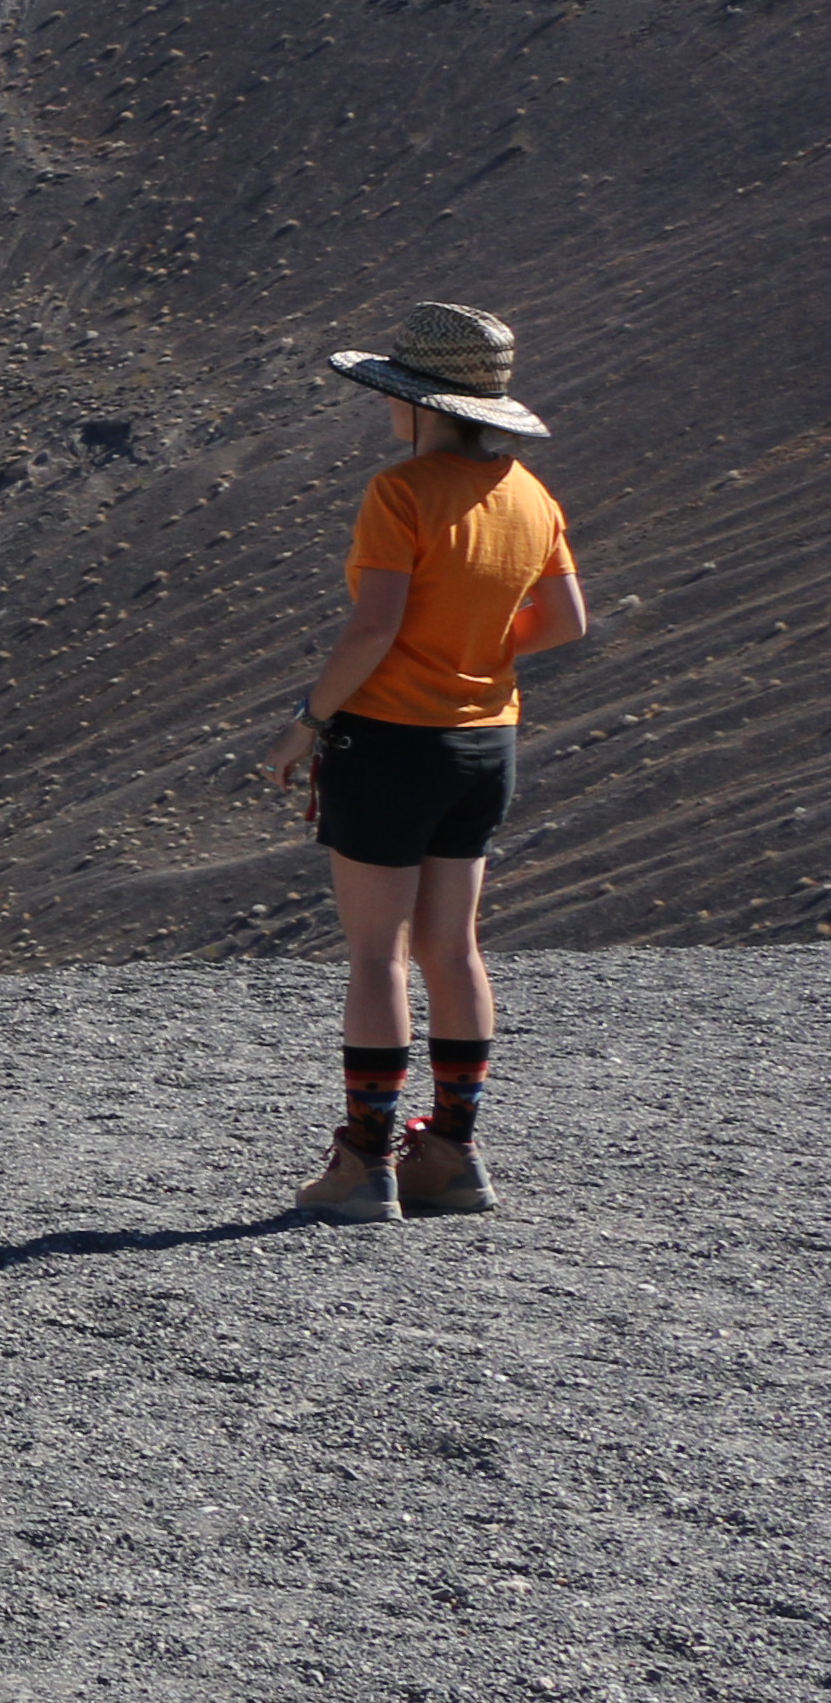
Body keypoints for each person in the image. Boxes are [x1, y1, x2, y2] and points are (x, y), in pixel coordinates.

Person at [261, 301, 584, 1223]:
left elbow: (374, 626)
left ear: (422, 405)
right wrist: (471, 649)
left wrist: (307, 723)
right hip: (488, 744)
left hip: (391, 742)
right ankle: (453, 1154)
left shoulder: (400, 492)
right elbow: (565, 623)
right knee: (453, 948)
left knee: (374, 956)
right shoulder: (531, 495)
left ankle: (365, 1165)